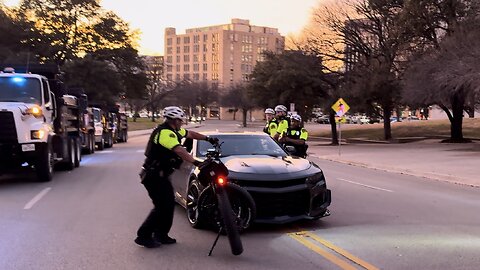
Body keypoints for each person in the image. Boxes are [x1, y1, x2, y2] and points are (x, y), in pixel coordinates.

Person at [135, 106, 218, 248]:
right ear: (174, 120)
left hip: (161, 175)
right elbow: (179, 150)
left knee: (167, 205)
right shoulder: (165, 133)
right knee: (162, 206)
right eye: (180, 120)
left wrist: (207, 138)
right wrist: (196, 162)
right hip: (153, 176)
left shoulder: (174, 130)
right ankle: (143, 235)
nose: (182, 123)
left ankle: (161, 235)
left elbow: (190, 134)